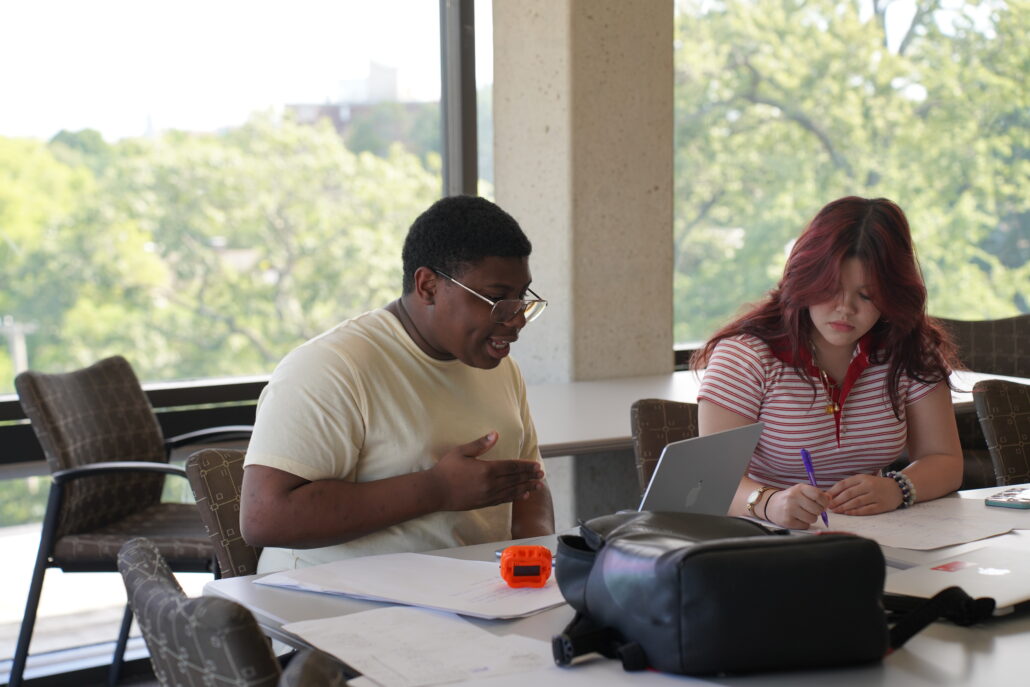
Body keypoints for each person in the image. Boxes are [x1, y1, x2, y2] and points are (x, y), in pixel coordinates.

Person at [240, 195, 555, 571]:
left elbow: (528, 486)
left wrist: (539, 558)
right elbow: (264, 517)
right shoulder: (332, 366)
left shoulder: (502, 369)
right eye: (497, 299)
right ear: (428, 286)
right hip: (329, 598)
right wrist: (437, 489)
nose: (516, 319)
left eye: (521, 299)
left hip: (469, 592)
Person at [693, 196, 963, 529]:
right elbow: (711, 481)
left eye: (867, 295)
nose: (845, 308)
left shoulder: (909, 348)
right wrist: (769, 503)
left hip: (877, 534)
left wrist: (897, 488)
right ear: (805, 280)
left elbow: (945, 459)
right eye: (831, 288)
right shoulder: (746, 356)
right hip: (766, 534)